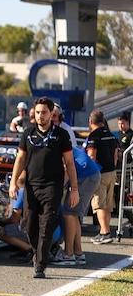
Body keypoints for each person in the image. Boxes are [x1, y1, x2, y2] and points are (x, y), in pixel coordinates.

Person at [9, 97, 79, 279]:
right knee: (30, 225)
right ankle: (36, 252)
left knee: (46, 225)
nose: (41, 116)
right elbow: (20, 159)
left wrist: (74, 189)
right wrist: (13, 182)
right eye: (38, 112)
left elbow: (70, 163)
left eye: (45, 113)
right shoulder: (28, 133)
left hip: (53, 187)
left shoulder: (61, 135)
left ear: (51, 114)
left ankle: (40, 265)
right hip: (32, 187)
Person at [56, 132, 99, 267]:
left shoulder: (57, 148)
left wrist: (57, 191)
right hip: (91, 175)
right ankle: (78, 253)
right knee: (73, 215)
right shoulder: (63, 144)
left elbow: (67, 169)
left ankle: (68, 254)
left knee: (68, 213)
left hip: (85, 176)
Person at [85, 109, 119, 244]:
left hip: (99, 173)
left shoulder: (93, 136)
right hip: (112, 172)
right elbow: (116, 155)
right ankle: (105, 231)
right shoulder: (111, 134)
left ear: (90, 121)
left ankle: (104, 233)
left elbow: (91, 157)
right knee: (108, 205)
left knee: (99, 204)